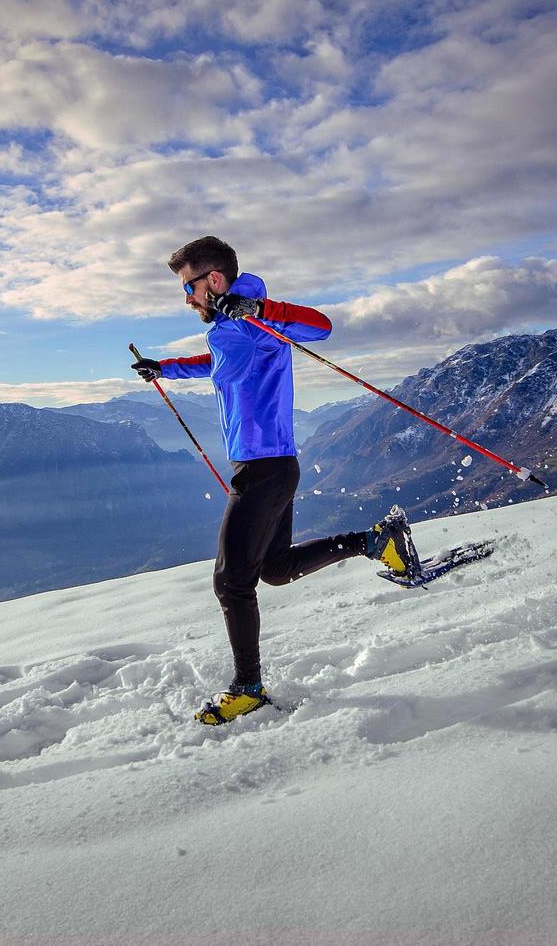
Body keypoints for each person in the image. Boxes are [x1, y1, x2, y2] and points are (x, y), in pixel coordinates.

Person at [131, 236, 419, 725]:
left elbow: (321, 327)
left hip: (265, 469)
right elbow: (216, 365)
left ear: (214, 281)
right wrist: (164, 368)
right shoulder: (227, 328)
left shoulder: (255, 317)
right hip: (265, 466)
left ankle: (248, 689)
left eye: (189, 287)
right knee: (276, 568)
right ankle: (376, 541)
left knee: (230, 582)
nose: (186, 298)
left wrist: (260, 307)